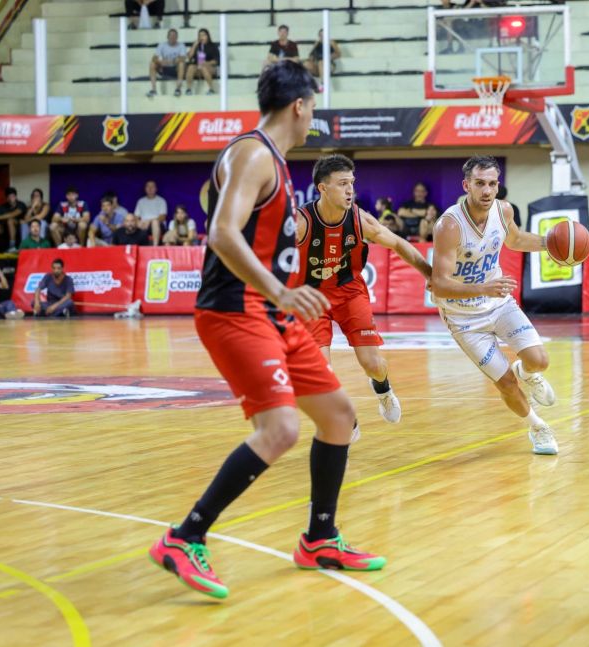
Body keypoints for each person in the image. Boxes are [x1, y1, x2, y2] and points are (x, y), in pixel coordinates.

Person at [148, 61, 384, 601]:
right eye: (313, 106)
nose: (313, 116)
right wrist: (280, 291)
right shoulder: (253, 154)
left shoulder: (273, 159)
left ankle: (319, 538)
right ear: (299, 106)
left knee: (338, 417)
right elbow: (221, 233)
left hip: (272, 313)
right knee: (280, 429)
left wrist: (283, 295)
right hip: (235, 310)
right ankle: (185, 537)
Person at [431, 156, 561, 455]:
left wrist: (551, 244)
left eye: (492, 183)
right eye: (480, 184)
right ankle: (538, 427)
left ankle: (529, 373)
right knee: (506, 383)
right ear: (466, 186)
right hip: (463, 318)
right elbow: (439, 284)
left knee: (539, 360)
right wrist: (483, 287)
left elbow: (516, 240)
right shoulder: (449, 225)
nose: (487, 190)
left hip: (499, 303)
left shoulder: (503, 211)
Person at [295, 154, 432, 425]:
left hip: (349, 292)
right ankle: (344, 421)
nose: (350, 190)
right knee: (319, 371)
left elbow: (398, 243)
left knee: (374, 365)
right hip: (311, 297)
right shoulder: (299, 223)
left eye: (352, 183)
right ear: (323, 188)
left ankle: (383, 389)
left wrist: (429, 274)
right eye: (342, 184)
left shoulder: (360, 219)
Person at [147, 29, 187, 98]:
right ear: (167, 37)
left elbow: (183, 58)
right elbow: (154, 58)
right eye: (171, 35)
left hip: (175, 69)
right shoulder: (162, 45)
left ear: (177, 37)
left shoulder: (181, 45)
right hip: (164, 68)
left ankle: (178, 89)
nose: (172, 37)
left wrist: (172, 61)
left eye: (174, 36)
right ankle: (153, 90)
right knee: (152, 64)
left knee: (181, 64)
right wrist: (160, 62)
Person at [185, 28, 220, 96]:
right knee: (191, 67)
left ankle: (211, 89)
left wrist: (206, 63)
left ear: (208, 36)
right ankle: (188, 89)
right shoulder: (197, 46)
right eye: (200, 35)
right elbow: (189, 57)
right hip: (198, 67)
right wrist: (194, 45)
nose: (202, 37)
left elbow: (216, 61)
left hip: (209, 67)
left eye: (204, 35)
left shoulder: (213, 46)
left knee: (203, 67)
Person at [134, 180, 168, 245]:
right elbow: (136, 216)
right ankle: (133, 246)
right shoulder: (141, 201)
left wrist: (149, 221)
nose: (150, 188)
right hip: (144, 224)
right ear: (145, 189)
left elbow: (162, 217)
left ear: (156, 189)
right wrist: (139, 222)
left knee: (154, 222)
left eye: (152, 187)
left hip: (158, 225)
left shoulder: (161, 201)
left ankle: (155, 247)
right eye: (148, 187)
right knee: (133, 222)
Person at [0, 187, 28, 252]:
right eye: (8, 197)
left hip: (20, 227)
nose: (10, 198)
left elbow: (13, 214)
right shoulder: (2, 207)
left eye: (12, 196)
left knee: (10, 220)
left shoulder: (21, 204)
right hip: (5, 229)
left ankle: (12, 246)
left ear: (15, 197)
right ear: (6, 198)